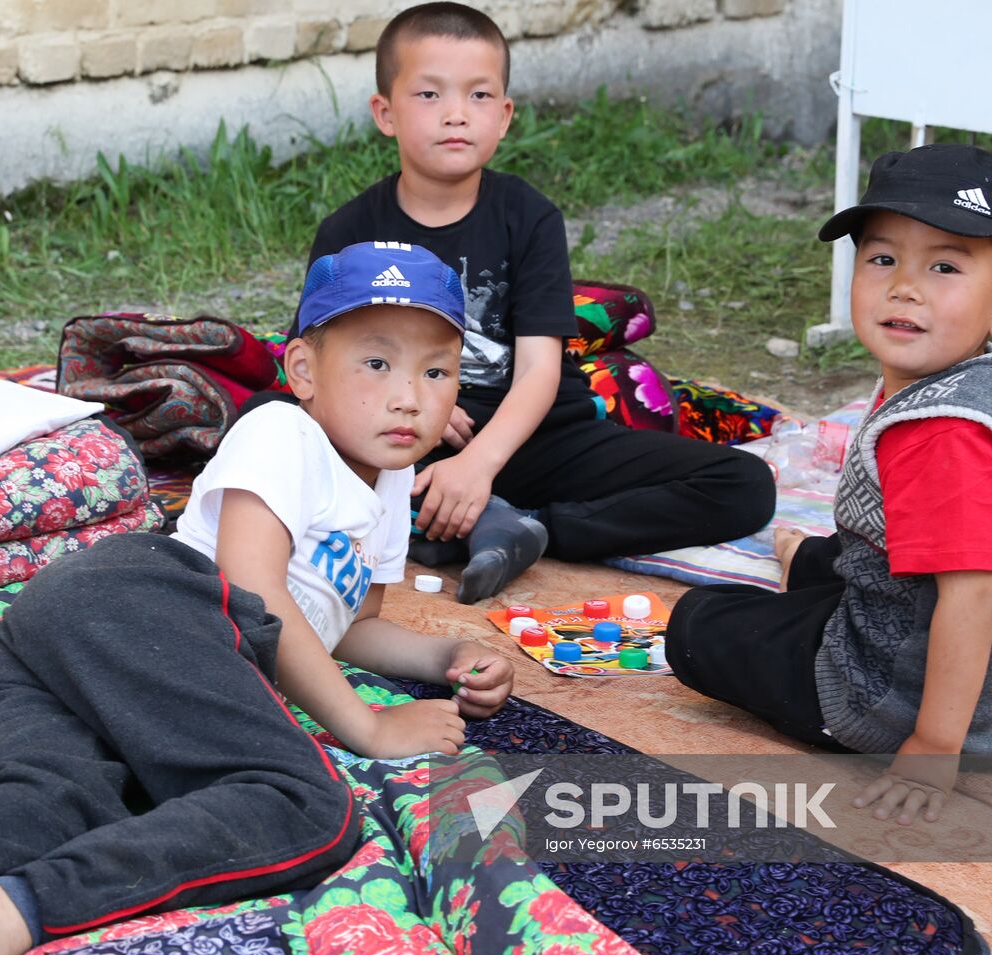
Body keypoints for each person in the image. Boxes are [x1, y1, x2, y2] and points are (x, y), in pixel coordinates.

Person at [0, 241, 515, 955]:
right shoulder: (284, 432)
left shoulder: (391, 482)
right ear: (302, 370)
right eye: (376, 363)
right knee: (303, 806)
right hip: (148, 603)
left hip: (43, 656)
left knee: (40, 807)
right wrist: (365, 727)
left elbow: (350, 626)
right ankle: (27, 908)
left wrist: (444, 658)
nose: (410, 395)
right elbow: (254, 591)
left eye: (436, 371)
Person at [301, 1, 775, 603]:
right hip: (410, 434)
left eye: (478, 97)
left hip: (531, 435)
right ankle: (463, 519)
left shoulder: (529, 217)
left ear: (504, 116)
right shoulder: (349, 229)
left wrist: (479, 468)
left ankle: (533, 527)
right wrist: (417, 392)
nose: (455, 114)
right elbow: (318, 363)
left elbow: (538, 370)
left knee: (743, 484)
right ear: (385, 113)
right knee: (274, 425)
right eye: (428, 95)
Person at [666, 144, 992, 825]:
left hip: (947, 706)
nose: (905, 287)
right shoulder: (955, 380)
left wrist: (933, 748)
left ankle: (880, 693)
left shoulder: (944, 435)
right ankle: (812, 565)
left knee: (703, 623)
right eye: (883, 259)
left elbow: (973, 597)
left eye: (944, 266)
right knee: (846, 555)